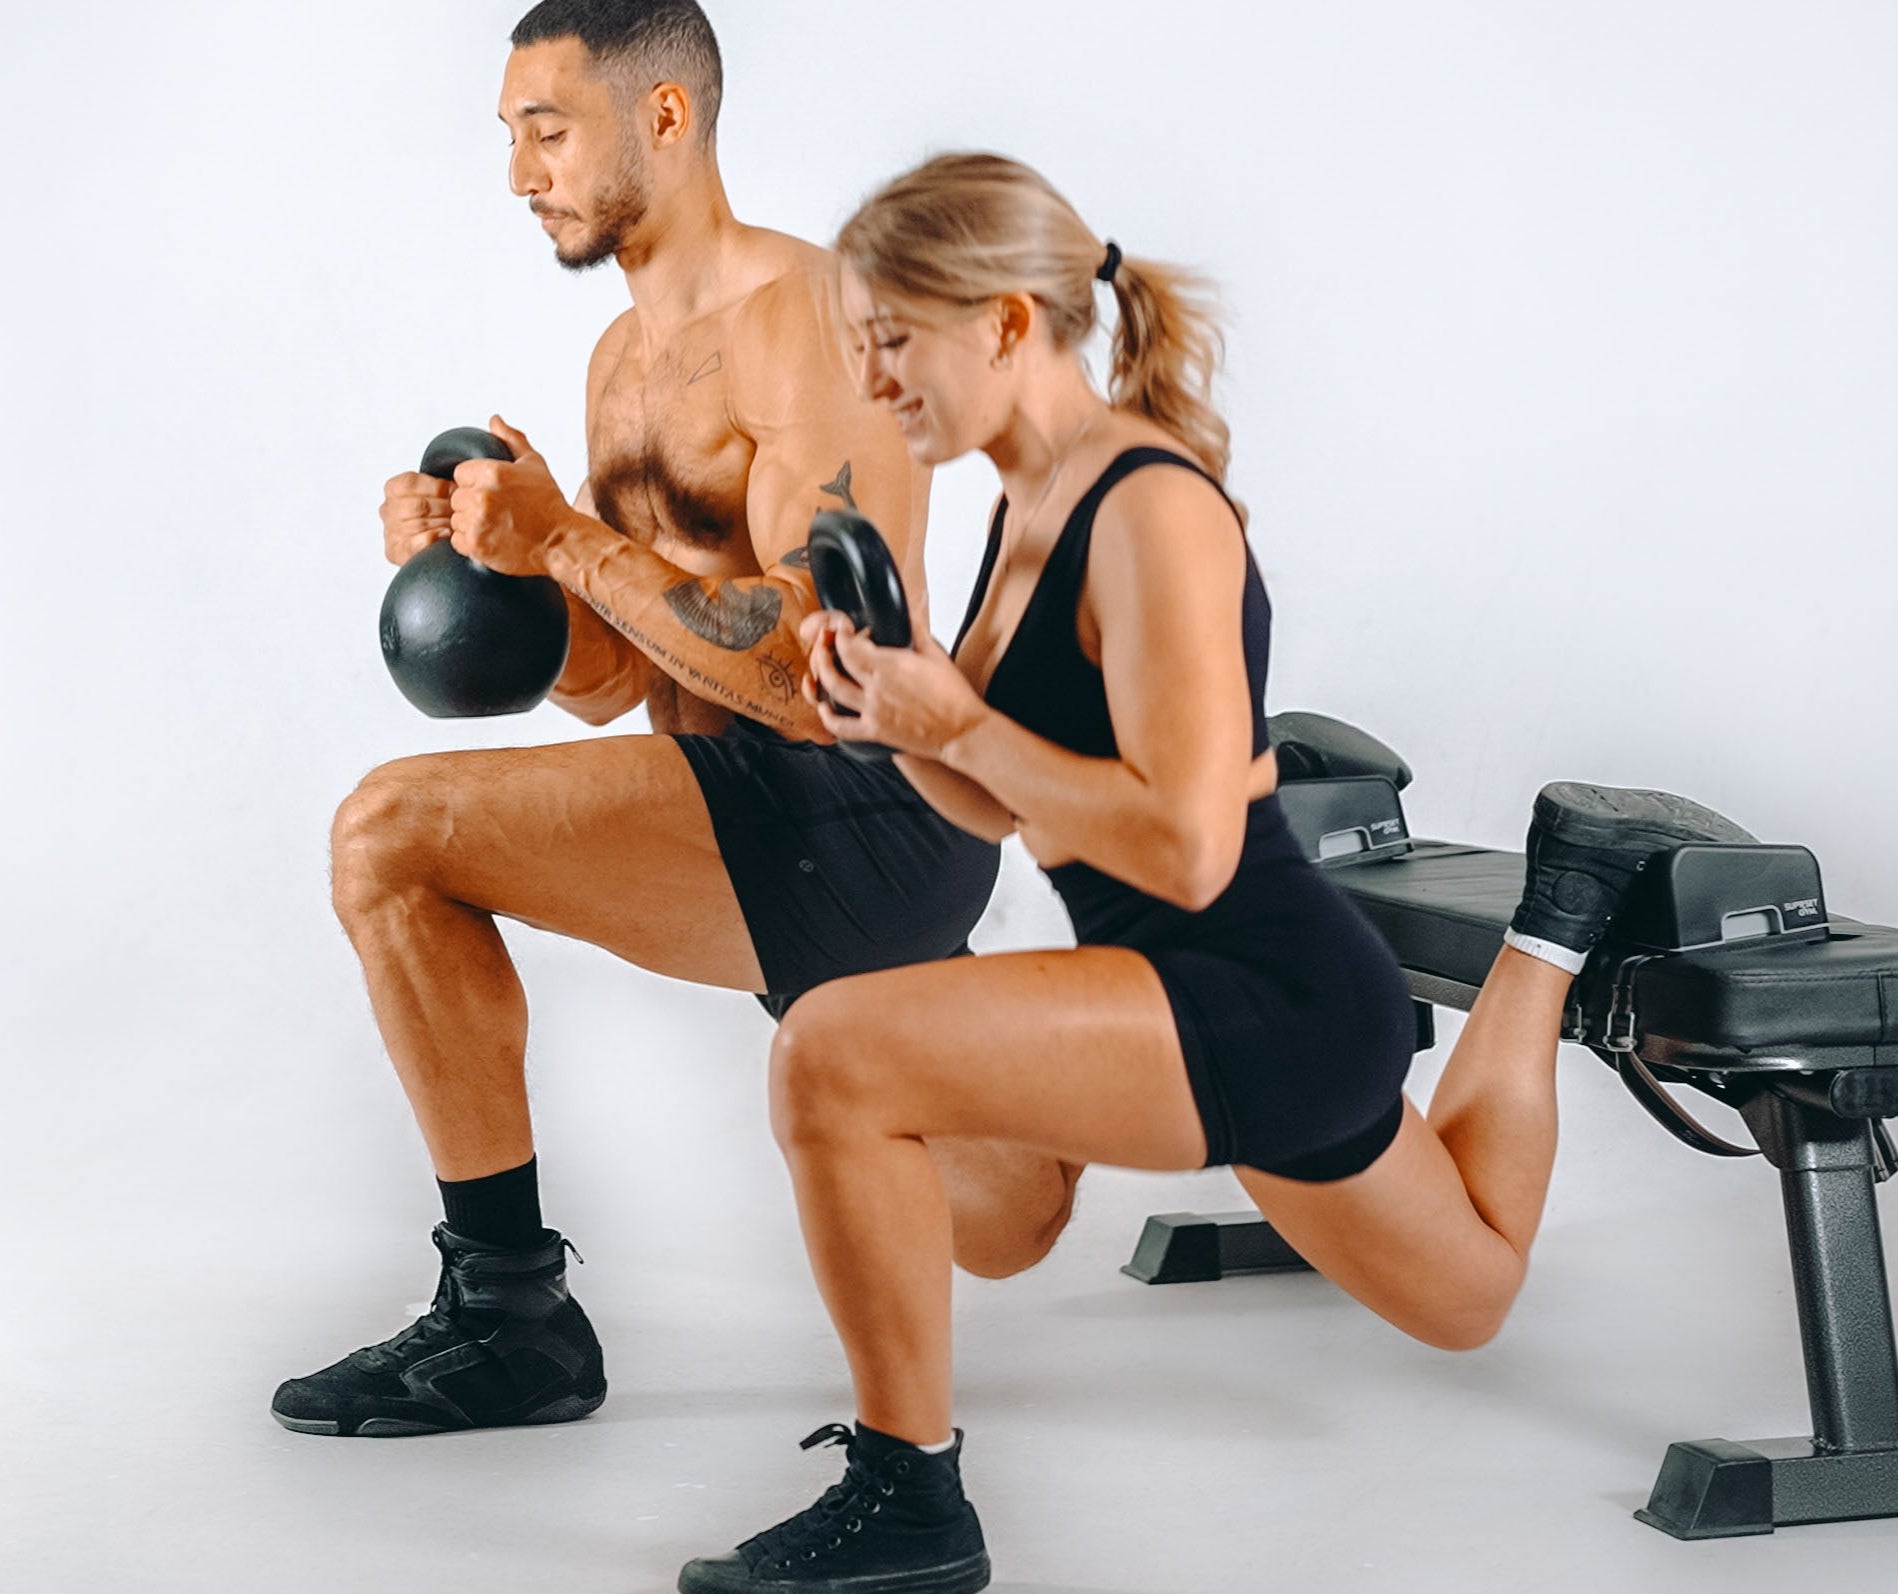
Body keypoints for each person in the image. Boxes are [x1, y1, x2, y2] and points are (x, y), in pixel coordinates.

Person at [674, 153, 1750, 1594]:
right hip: (1195, 997)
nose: (872, 385)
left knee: (833, 1051)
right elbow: (992, 806)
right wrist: (884, 715)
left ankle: (909, 1502)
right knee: (1475, 1292)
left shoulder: (1152, 508)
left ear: (1001, 322)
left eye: (890, 339)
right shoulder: (1025, 506)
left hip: (1257, 989)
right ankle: (1553, 918)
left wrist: (962, 718)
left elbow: (1185, 844)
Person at [272, 0, 1043, 1440]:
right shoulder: (620, 361)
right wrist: (494, 564)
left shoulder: (814, 317)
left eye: (548, 131)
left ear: (665, 115)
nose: (520, 174)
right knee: (1013, 1217)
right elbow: (625, 676)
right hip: (751, 823)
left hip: (862, 808)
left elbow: (818, 678)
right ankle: (1274, 1079)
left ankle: (510, 1317)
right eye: (508, 136)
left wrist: (564, 535)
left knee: (390, 831)